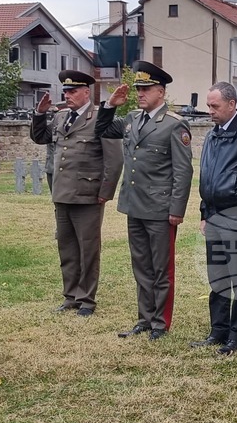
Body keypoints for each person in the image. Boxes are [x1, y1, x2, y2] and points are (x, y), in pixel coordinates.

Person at [96, 61, 193, 340]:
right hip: (135, 205)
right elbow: (101, 129)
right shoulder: (132, 119)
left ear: (161, 92)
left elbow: (183, 171)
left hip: (160, 208)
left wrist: (177, 209)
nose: (140, 93)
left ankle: (161, 323)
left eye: (146, 89)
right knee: (141, 265)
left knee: (161, 268)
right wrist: (110, 105)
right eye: (138, 89)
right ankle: (145, 318)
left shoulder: (174, 125)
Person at [31, 69, 123, 316]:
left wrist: (105, 192)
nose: (68, 95)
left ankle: (87, 299)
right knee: (67, 247)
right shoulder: (62, 118)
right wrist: (40, 114)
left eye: (72, 91)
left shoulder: (100, 118)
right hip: (62, 193)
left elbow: (114, 160)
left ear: (86, 92)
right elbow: (40, 137)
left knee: (88, 249)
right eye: (66, 91)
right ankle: (70, 295)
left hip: (88, 193)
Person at [191, 82, 237, 355]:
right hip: (215, 216)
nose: (210, 111)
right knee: (217, 277)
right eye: (208, 106)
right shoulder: (211, 136)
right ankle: (218, 330)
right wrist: (204, 213)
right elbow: (207, 176)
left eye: (215, 106)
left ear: (232, 105)